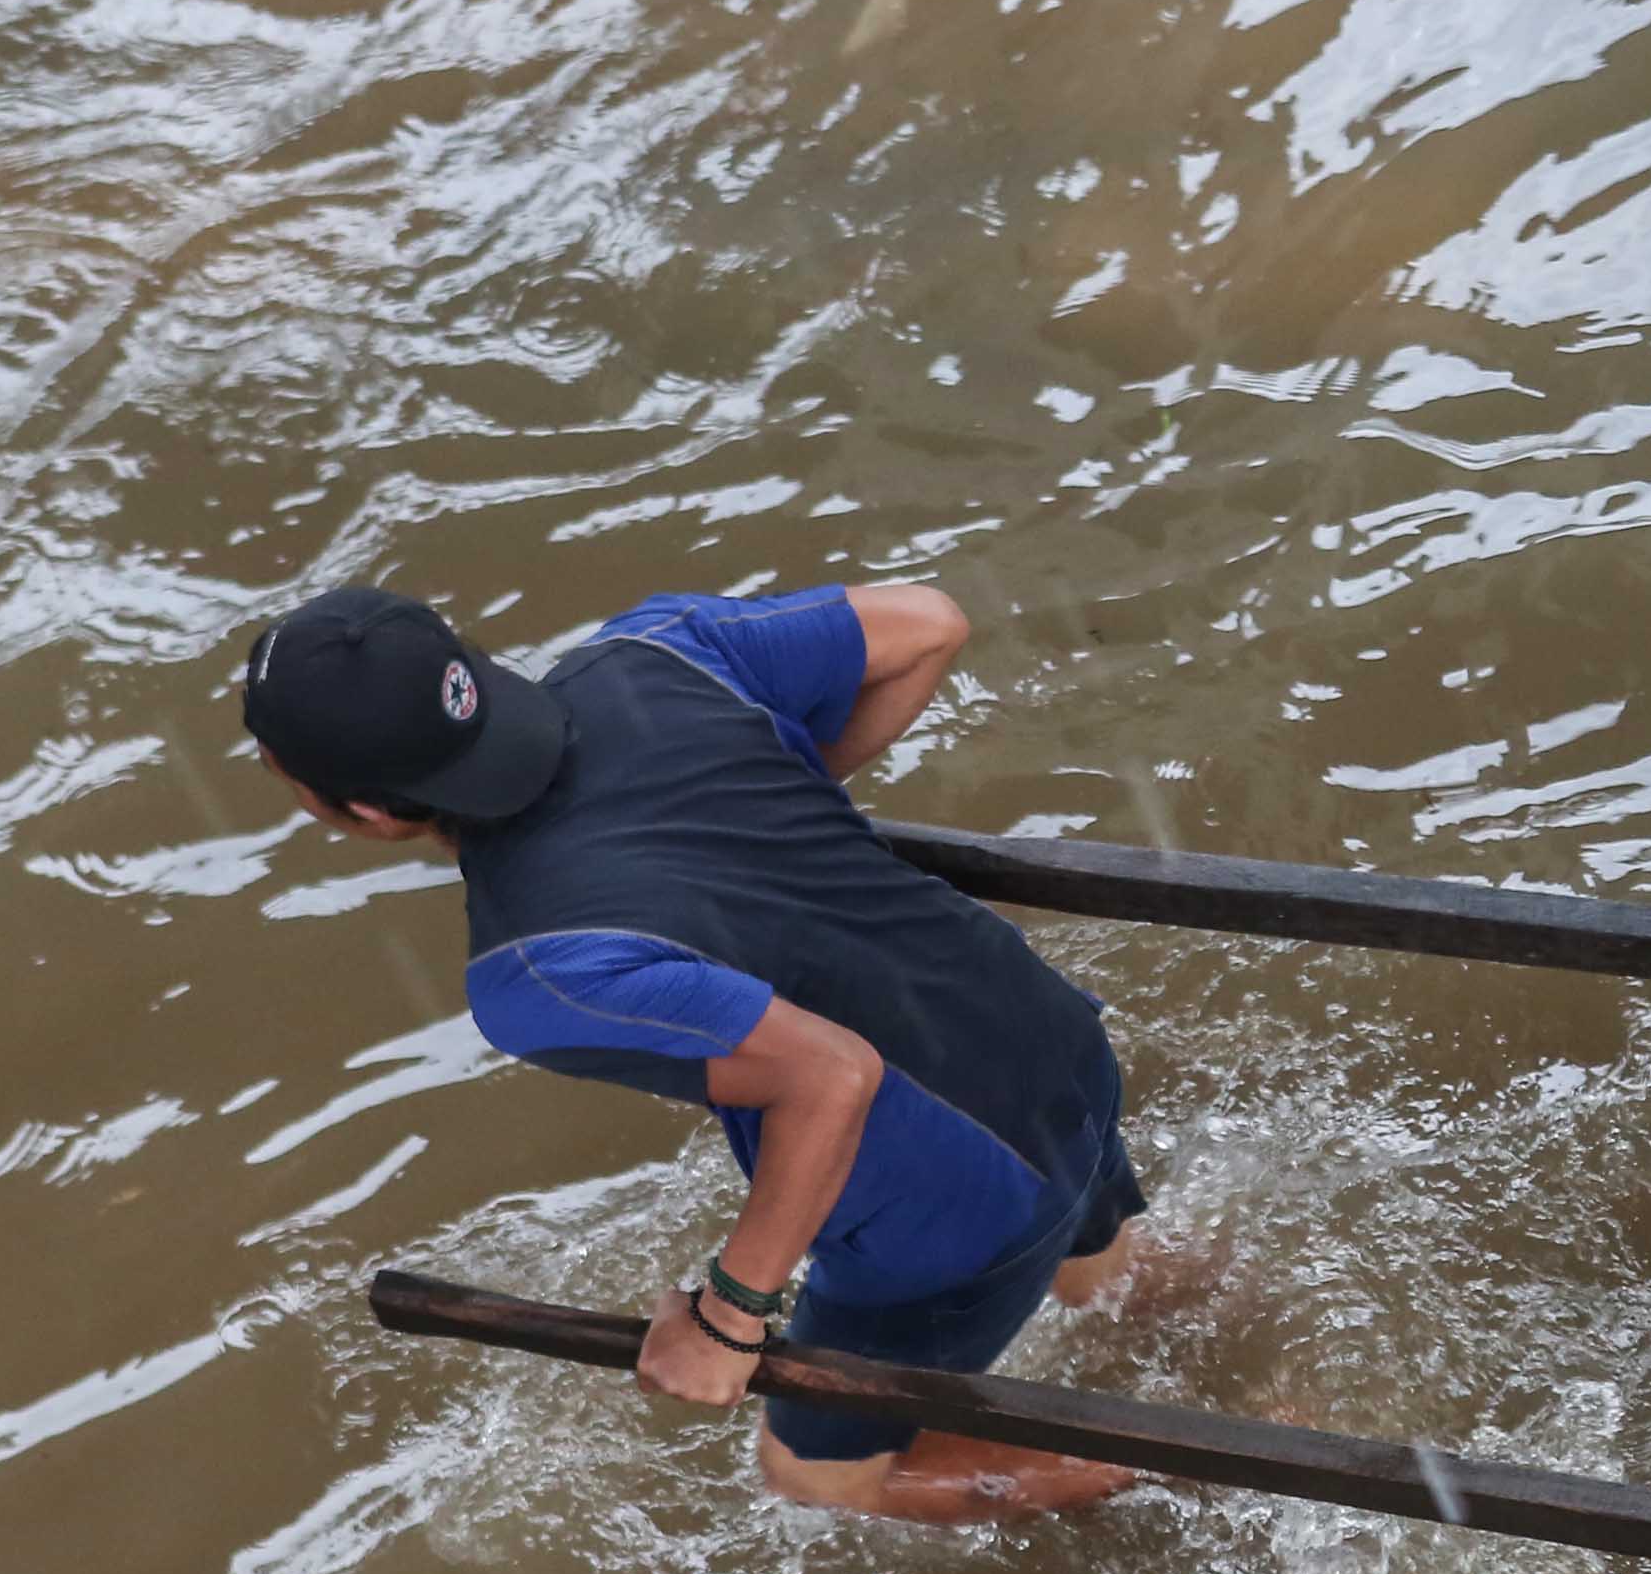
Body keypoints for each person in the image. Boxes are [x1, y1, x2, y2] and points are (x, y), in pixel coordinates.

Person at [239, 576, 1163, 1522]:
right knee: (1111, 1272)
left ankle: (1180, 1481)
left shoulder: (540, 971)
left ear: (364, 813)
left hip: (960, 1211)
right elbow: (929, 624)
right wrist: (789, 785)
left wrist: (729, 1319)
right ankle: (1240, 1344)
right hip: (1047, 1038)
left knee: (818, 1478)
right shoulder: (660, 649)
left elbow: (832, 1074)